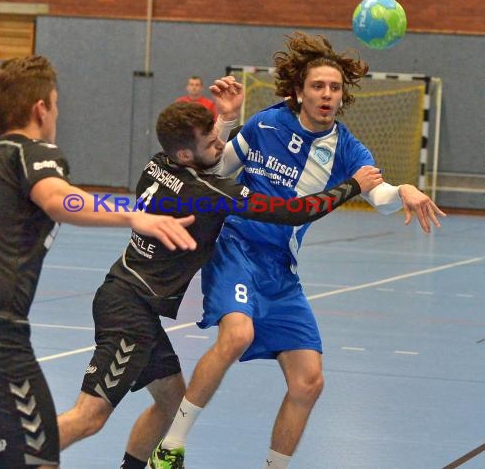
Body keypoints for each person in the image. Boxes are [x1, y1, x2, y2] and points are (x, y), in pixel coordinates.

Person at [150, 32, 446, 469]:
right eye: (318, 86)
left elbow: (376, 192)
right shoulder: (266, 124)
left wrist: (402, 189)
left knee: (308, 381)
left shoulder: (346, 148)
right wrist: (227, 121)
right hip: (235, 247)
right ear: (300, 90)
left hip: (281, 269)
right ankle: (170, 446)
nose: (327, 95)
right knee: (237, 335)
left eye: (335, 88)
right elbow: (215, 167)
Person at [56, 76, 383, 469]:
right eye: (211, 143)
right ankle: (15, 450)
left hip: (131, 299)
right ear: (186, 156)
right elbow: (295, 211)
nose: (221, 145)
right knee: (89, 417)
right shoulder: (208, 194)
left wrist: (224, 120)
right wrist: (351, 186)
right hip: (128, 313)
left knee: (172, 402)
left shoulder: (158, 163)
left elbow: (210, 158)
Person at [0, 55, 198, 469]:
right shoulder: (33, 153)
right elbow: (58, 199)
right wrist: (132, 212)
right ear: (41, 109)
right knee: (39, 459)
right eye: (56, 104)